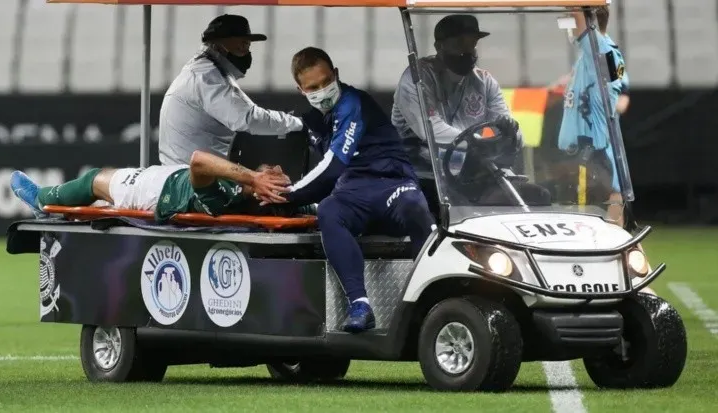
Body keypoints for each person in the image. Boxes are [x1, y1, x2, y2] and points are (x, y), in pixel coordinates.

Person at [262, 47, 436, 333]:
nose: (322, 90)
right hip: (354, 193)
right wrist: (271, 181)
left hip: (393, 184)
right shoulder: (312, 122)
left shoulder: (353, 103)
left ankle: (432, 299)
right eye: (313, 87)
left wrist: (286, 194)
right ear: (300, 89)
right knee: (330, 210)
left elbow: (332, 167)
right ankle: (360, 305)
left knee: (414, 205)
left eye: (326, 81)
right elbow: (321, 176)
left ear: (337, 75)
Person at [391, 14, 523, 212]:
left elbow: (506, 125)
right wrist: (476, 141)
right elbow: (430, 129)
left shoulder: (484, 81)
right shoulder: (417, 78)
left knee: (533, 196)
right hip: (421, 173)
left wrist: (510, 133)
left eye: (472, 43)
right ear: (439, 47)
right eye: (460, 43)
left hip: (470, 174)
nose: (467, 50)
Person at [158, 14, 304, 165]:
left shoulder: (200, 70)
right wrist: (299, 124)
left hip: (188, 171)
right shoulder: (206, 76)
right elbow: (248, 119)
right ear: (218, 44)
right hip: (191, 179)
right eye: (241, 44)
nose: (246, 51)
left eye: (247, 45)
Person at [9, 151, 293, 223]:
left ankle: (42, 202)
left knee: (94, 180)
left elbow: (199, 161)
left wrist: (253, 178)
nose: (275, 170)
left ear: (260, 191)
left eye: (272, 177)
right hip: (170, 181)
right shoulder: (240, 192)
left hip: (156, 192)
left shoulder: (223, 198)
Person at [554, 6, 628, 225]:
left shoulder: (601, 51)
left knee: (584, 234)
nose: (569, 24)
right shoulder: (600, 55)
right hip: (585, 159)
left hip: (588, 161)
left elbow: (578, 11)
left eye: (571, 18)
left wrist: (578, 10)